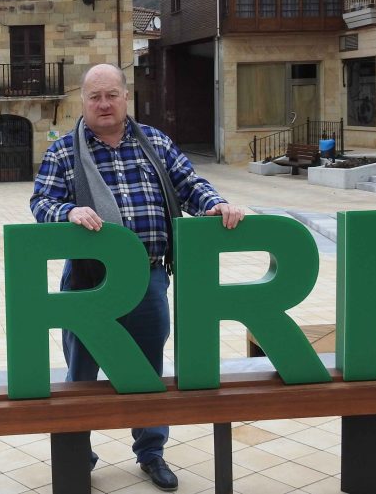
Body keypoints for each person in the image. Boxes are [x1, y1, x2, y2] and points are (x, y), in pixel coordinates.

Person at [30, 63, 245, 492]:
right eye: (95, 97)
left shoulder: (157, 143)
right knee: (81, 373)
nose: (104, 104)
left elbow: (189, 183)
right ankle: (78, 453)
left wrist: (215, 203)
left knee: (148, 370)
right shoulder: (63, 152)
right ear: (84, 102)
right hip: (88, 282)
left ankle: (151, 452)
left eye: (111, 94)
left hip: (147, 278)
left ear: (127, 97)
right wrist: (67, 210)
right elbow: (41, 202)